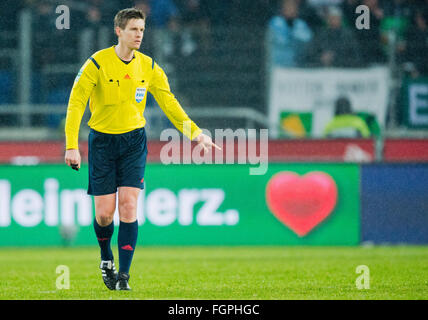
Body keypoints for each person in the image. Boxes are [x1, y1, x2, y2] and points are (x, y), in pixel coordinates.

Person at [64, 8, 219, 291]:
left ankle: (124, 275)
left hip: (134, 142)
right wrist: (71, 145)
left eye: (142, 30)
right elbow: (76, 104)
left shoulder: (148, 67)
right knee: (104, 215)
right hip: (102, 142)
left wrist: (195, 133)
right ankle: (105, 257)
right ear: (119, 31)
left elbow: (169, 102)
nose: (139, 35)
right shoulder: (97, 64)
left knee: (128, 205)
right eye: (134, 29)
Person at [267, 0, 313, 67]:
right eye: (288, 7)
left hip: (295, 63)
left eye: (293, 7)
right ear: (282, 9)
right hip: (276, 63)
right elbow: (278, 40)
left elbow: (307, 39)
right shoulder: (275, 22)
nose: (291, 9)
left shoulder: (300, 24)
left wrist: (293, 31)